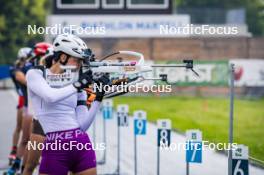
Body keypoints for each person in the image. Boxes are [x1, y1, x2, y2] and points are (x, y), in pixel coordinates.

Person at [26, 34, 109, 175]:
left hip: (81, 144)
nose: (79, 66)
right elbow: (50, 96)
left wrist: (98, 98)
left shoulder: (76, 83)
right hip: (55, 146)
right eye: (76, 60)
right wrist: (79, 84)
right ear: (63, 57)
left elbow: (82, 126)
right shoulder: (36, 74)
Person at [6, 43, 52, 175]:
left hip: (32, 108)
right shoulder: (28, 68)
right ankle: (19, 164)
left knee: (28, 141)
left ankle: (20, 166)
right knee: (27, 141)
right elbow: (20, 77)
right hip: (30, 108)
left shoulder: (32, 67)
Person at [8, 48, 32, 165]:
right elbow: (22, 80)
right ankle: (14, 151)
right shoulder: (16, 69)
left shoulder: (27, 67)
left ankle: (19, 154)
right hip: (23, 100)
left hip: (26, 100)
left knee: (26, 133)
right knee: (21, 129)